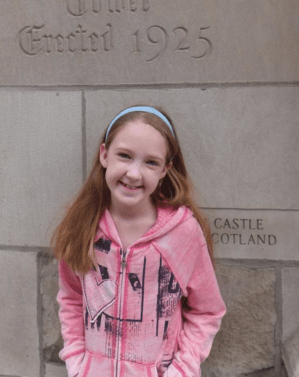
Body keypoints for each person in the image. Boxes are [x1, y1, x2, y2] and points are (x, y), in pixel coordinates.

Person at [51, 106, 226, 377]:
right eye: (124, 156)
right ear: (104, 155)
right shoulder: (82, 225)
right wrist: (77, 363)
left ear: (165, 169)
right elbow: (72, 298)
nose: (134, 173)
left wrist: (181, 371)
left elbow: (207, 311)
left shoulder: (182, 232)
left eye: (151, 162)